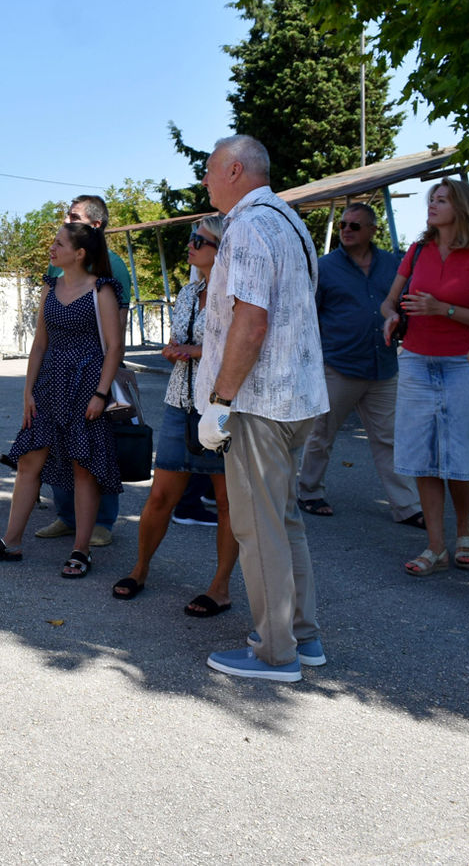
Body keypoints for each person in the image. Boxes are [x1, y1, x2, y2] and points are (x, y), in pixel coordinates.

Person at [195, 136, 329, 682]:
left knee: (259, 528)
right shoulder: (291, 221)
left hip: (257, 402)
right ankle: (303, 635)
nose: (204, 183)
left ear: (233, 169)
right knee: (285, 520)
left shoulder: (247, 226)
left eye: (208, 172)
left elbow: (251, 323)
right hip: (297, 398)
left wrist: (221, 403)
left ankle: (276, 654)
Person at [0, 222, 124, 579]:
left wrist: (101, 394)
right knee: (28, 463)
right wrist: (28, 392)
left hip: (86, 385)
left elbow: (115, 348)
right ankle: (11, 542)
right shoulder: (50, 286)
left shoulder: (102, 289)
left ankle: (81, 550)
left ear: (80, 253)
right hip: (49, 385)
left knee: (83, 469)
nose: (52, 249)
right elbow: (40, 343)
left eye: (58, 244)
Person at [110, 215, 240, 618]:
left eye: (199, 240)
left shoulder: (235, 294)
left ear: (221, 250)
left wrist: (192, 352)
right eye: (191, 237)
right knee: (161, 495)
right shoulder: (188, 291)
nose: (190, 244)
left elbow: (241, 346)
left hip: (221, 405)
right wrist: (175, 349)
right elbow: (179, 342)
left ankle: (219, 587)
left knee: (226, 503)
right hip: (180, 401)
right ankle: (140, 568)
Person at [381, 178, 469, 577]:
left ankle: (465, 529)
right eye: (432, 199)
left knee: (458, 453)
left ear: (462, 207)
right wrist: (393, 315)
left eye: (442, 200)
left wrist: (442, 309)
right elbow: (388, 301)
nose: (432, 205)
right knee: (420, 455)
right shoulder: (418, 251)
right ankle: (436, 546)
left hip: (463, 363)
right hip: (415, 359)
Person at [296, 203, 424, 526]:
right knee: (321, 433)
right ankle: (309, 492)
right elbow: (307, 316)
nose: (346, 230)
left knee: (389, 438)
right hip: (338, 364)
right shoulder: (324, 267)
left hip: (382, 366)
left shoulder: (393, 265)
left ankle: (407, 506)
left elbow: (402, 304)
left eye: (355, 225)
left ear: (372, 230)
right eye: (342, 225)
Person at [32, 195, 134, 546]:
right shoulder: (56, 267)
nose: (66, 219)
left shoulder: (113, 265)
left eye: (74, 216)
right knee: (61, 445)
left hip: (92, 370)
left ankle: (103, 521)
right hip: (58, 373)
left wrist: (105, 380)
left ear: (95, 226)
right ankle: (67, 516)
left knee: (96, 447)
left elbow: (116, 325)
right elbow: (46, 323)